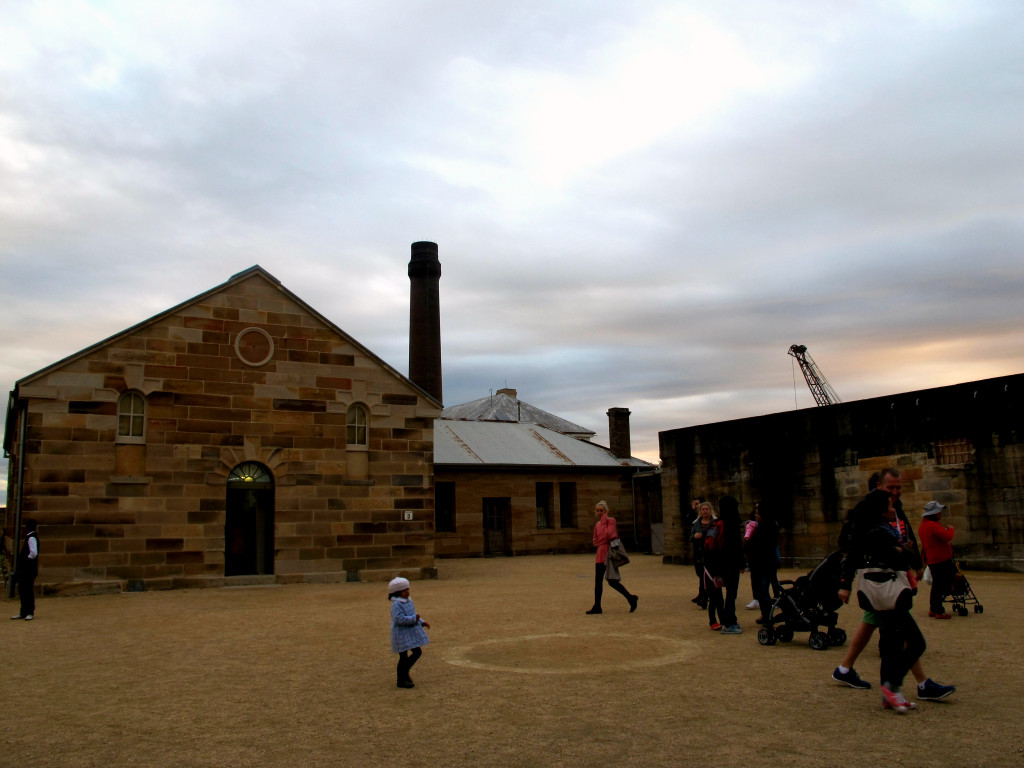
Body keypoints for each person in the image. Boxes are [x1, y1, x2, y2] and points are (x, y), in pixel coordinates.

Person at [831, 468, 955, 702]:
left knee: (887, 632)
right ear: (879, 486)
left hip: (888, 583)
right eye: (892, 488)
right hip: (882, 584)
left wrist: (913, 561)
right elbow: (854, 546)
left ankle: (850, 671)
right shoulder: (868, 511)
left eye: (899, 488)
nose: (897, 493)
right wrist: (845, 582)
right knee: (903, 637)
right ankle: (906, 686)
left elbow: (905, 532)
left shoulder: (893, 506)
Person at [838, 489, 928, 711]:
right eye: (889, 506)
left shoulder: (869, 530)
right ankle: (892, 685)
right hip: (890, 594)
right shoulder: (879, 533)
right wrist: (903, 550)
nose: (893, 509)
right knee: (916, 642)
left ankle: (890, 694)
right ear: (880, 511)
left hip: (878, 595)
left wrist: (845, 584)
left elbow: (852, 557)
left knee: (892, 645)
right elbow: (905, 557)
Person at [587, 501, 638, 614]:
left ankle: (630, 598)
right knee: (598, 581)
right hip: (600, 554)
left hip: (609, 553)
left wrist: (604, 522)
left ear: (606, 511)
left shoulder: (611, 521)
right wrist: (603, 539)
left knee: (612, 581)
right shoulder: (597, 525)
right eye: (598, 510)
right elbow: (595, 541)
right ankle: (597, 606)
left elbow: (610, 535)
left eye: (602, 510)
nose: (600, 512)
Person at [704, 497, 744, 634]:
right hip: (731, 564)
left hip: (717, 565)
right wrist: (741, 563)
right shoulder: (732, 524)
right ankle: (729, 622)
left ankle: (725, 620)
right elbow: (737, 547)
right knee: (731, 595)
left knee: (720, 595)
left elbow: (709, 547)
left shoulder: (716, 523)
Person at [388, 576, 430, 689]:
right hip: (401, 633)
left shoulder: (408, 601)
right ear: (396, 592)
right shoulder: (396, 604)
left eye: (407, 589)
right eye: (403, 590)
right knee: (404, 656)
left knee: (416, 652)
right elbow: (398, 619)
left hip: (410, 631)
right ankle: (401, 679)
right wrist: (413, 619)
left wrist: (422, 622)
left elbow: (414, 613)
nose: (407, 592)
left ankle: (404, 674)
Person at [918, 501, 956, 619]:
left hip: (933, 559)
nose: (940, 514)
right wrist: (950, 529)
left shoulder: (924, 526)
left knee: (937, 585)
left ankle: (934, 608)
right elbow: (947, 537)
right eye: (938, 512)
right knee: (942, 584)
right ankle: (938, 610)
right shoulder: (932, 525)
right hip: (941, 559)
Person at [745, 503, 778, 626]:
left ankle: (767, 616)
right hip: (766, 564)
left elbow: (756, 546)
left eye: (758, 513)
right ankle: (766, 614)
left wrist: (748, 546)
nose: (756, 515)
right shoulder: (767, 526)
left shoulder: (764, 528)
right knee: (763, 591)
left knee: (763, 591)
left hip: (762, 564)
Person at [10, 518, 39, 621]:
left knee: (27, 590)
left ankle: (29, 611)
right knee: (23, 590)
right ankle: (23, 611)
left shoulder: (31, 538)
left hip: (28, 570)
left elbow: (34, 553)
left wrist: (26, 561)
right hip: (26, 569)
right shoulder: (30, 537)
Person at [689, 499, 712, 608]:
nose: (705, 511)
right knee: (701, 574)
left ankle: (705, 597)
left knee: (709, 574)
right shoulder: (696, 523)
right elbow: (691, 537)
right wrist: (694, 537)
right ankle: (703, 595)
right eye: (703, 509)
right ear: (700, 511)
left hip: (711, 552)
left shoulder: (715, 522)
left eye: (707, 509)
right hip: (699, 552)